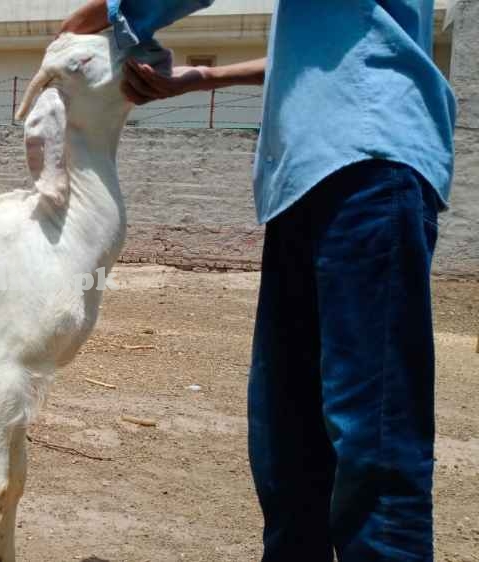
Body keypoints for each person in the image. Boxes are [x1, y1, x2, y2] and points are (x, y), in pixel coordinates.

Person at [60, 1, 456, 561]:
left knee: (375, 442)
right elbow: (322, 50)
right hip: (305, 183)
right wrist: (206, 77)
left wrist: (109, 13)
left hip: (365, 167)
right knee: (286, 445)